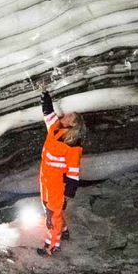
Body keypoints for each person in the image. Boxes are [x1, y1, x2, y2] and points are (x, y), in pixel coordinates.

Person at [37, 90, 84, 257]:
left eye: (68, 116)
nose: (64, 116)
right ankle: (64, 230)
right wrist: (46, 100)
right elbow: (49, 116)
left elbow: (73, 172)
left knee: (52, 215)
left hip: (57, 185)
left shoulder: (73, 146)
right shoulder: (56, 129)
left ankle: (51, 246)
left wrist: (68, 194)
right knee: (48, 208)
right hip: (45, 178)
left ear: (73, 124)